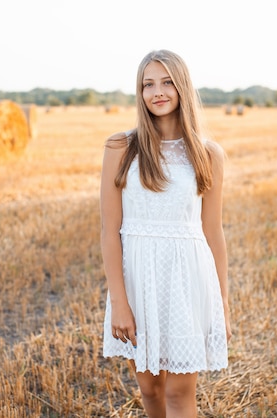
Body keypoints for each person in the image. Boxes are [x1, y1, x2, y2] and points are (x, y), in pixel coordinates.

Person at [100, 49, 231, 417]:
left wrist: (222, 307)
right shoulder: (121, 147)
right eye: (148, 84)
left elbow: (213, 234)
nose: (158, 91)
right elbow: (110, 232)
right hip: (138, 280)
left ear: (182, 87)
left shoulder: (208, 154)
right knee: (151, 392)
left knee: (178, 395)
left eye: (167, 82)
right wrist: (120, 302)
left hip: (187, 282)